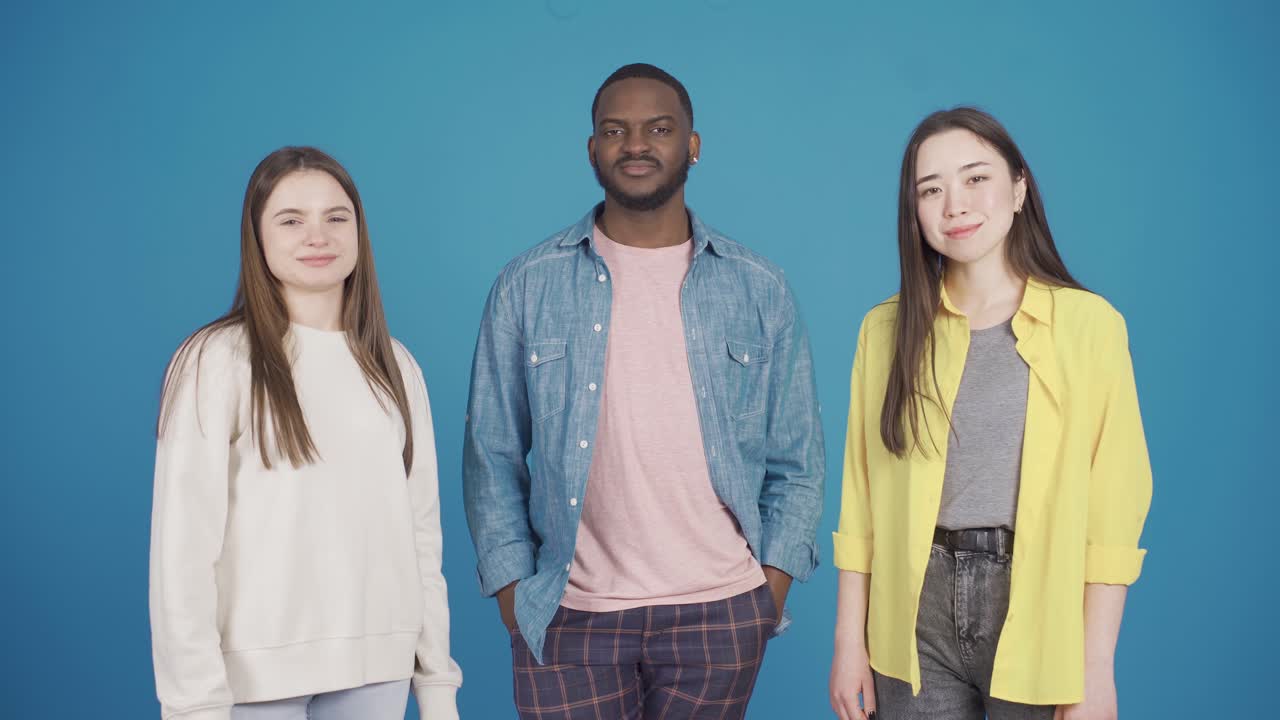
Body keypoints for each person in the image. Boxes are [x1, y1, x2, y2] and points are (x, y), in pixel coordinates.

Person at [463, 63, 824, 719]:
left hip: (720, 613)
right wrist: (515, 594)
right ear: (593, 148)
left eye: (659, 128)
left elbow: (798, 458)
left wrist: (768, 593)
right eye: (615, 130)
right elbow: (491, 453)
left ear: (693, 144)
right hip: (569, 614)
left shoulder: (758, 285)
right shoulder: (527, 284)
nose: (637, 145)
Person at [829, 107, 1152, 720]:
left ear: (1019, 189)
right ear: (914, 210)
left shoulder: (1091, 327)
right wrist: (850, 643)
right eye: (931, 189)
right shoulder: (885, 331)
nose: (955, 204)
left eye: (976, 178)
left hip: (1038, 605)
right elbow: (861, 498)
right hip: (912, 613)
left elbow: (1115, 509)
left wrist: (1096, 669)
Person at [149, 147, 462, 719]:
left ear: (360, 233)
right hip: (254, 680)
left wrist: (437, 686)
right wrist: (194, 703)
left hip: (378, 672)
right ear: (258, 237)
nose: (317, 236)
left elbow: (421, 540)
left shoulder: (396, 367)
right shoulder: (214, 361)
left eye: (336, 217)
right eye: (291, 220)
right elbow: (182, 552)